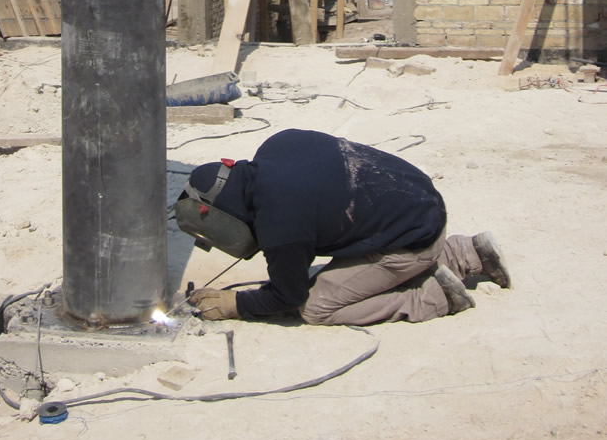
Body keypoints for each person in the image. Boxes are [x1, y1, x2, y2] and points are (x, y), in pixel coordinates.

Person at [175, 128, 510, 325]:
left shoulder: (280, 224)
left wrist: (233, 304)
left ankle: (434, 298)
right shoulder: (279, 143)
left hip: (413, 243)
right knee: (352, 241)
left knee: (314, 307)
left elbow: (287, 296)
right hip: (423, 206)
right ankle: (467, 252)